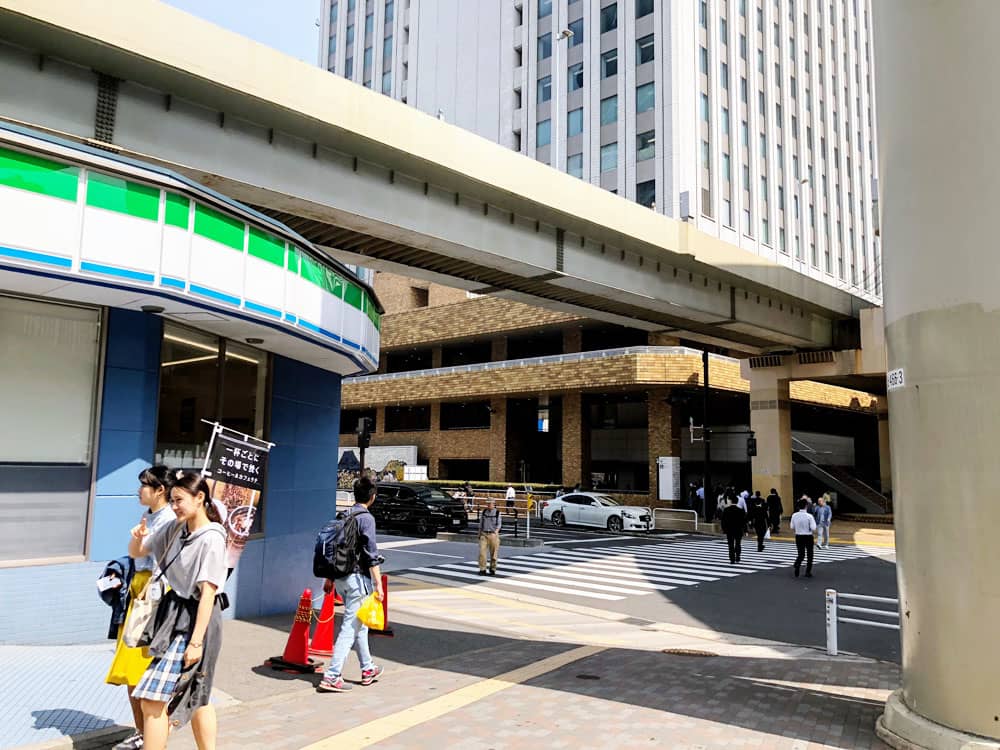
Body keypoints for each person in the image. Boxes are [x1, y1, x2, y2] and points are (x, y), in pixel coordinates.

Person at [128, 471, 227, 750]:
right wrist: (138, 539)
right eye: (172, 500)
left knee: (151, 699)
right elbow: (138, 552)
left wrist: (196, 642)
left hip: (198, 620)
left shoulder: (212, 538)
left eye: (179, 500)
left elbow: (208, 593)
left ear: (200, 498)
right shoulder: (176, 528)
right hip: (175, 615)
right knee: (199, 696)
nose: (174, 506)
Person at [105, 466, 177, 750]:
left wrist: (137, 540)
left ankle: (153, 734)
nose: (139, 490)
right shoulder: (150, 516)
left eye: (144, 485)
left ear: (160, 490)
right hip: (139, 595)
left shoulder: (168, 518)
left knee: (142, 672)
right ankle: (142, 732)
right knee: (132, 673)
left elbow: (143, 551)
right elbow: (137, 552)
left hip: (153, 599)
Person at [318, 475, 384, 693]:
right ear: (372, 497)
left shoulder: (343, 514)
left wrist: (329, 578)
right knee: (350, 627)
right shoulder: (366, 518)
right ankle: (332, 675)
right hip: (357, 580)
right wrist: (378, 585)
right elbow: (370, 554)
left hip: (340, 578)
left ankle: (368, 668)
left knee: (359, 625)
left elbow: (333, 549)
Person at [791, 498, 818, 578]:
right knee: (810, 554)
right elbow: (813, 528)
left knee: (801, 553)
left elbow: (792, 527)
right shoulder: (809, 516)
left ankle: (797, 563)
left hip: (798, 536)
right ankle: (808, 572)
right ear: (806, 506)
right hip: (808, 536)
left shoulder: (794, 515)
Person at [478, 496, 502, 576]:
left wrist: (496, 532)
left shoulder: (497, 513)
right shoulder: (484, 512)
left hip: (493, 535)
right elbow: (481, 523)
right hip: (484, 534)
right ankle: (482, 569)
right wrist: (479, 533)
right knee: (482, 553)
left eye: (490, 503)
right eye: (487, 503)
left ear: (493, 504)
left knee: (494, 554)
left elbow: (499, 525)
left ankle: (492, 568)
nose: (488, 505)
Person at [720, 496, 747, 564]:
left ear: (731, 501)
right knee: (738, 543)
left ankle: (732, 559)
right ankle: (738, 556)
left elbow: (723, 521)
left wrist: (724, 529)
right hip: (738, 529)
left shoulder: (726, 510)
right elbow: (743, 521)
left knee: (730, 545)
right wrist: (745, 530)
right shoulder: (740, 510)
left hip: (729, 530)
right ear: (737, 502)